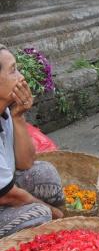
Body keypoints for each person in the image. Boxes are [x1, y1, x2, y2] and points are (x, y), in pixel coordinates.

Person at [0, 44, 64, 238]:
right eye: (13, 71)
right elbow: (7, 195)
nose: (21, 78)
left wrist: (18, 117)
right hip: (4, 195)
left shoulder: (5, 112)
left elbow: (25, 163)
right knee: (39, 214)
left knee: (45, 172)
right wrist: (55, 214)